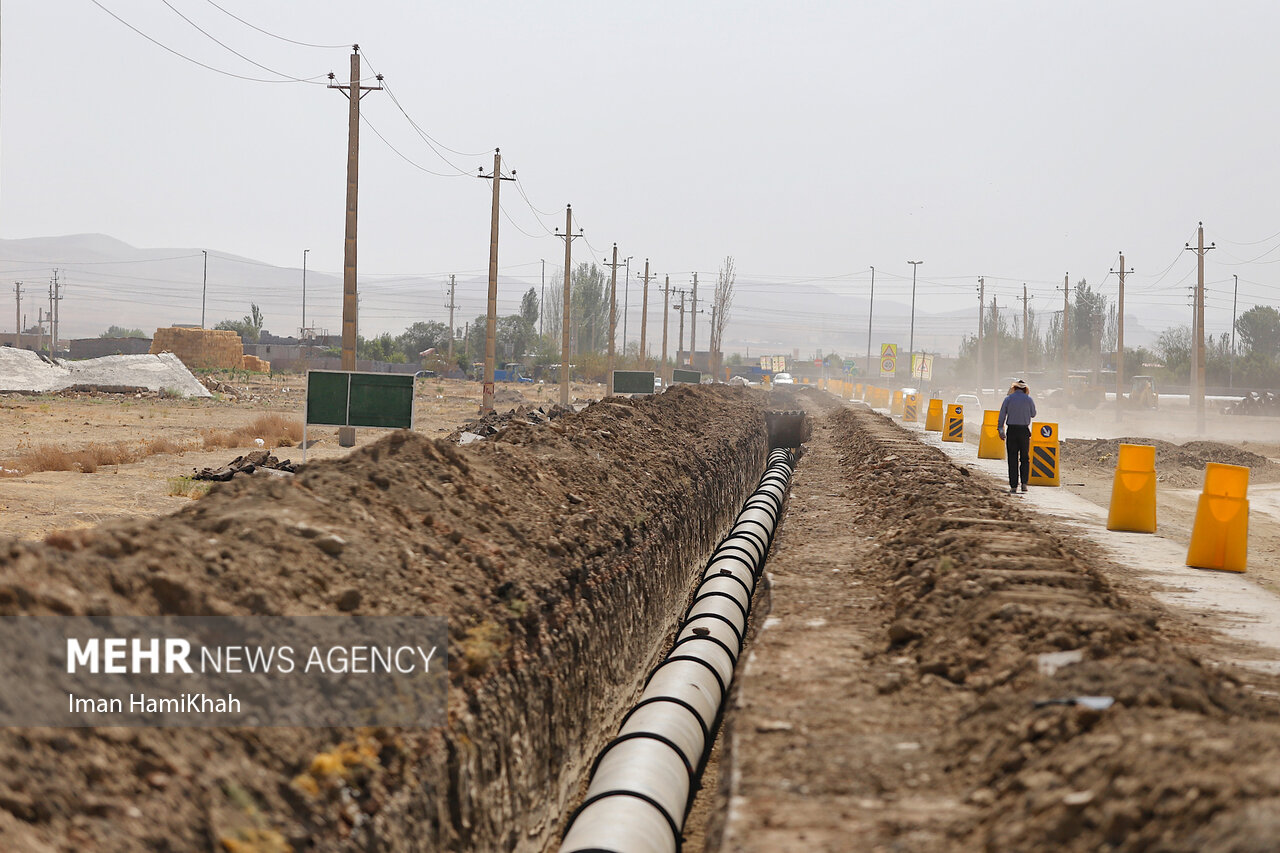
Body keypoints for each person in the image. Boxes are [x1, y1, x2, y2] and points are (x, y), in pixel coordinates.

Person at [997, 379, 1036, 495]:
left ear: (1014, 388)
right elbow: (1033, 414)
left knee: (1012, 459)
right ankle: (1024, 483)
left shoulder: (1008, 399)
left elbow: (1002, 415)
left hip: (1012, 431)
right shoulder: (1029, 399)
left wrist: (1000, 430)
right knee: (1025, 458)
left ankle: (1013, 486)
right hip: (1024, 431)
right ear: (1025, 389)